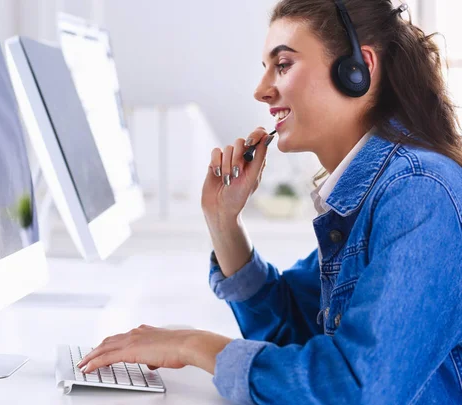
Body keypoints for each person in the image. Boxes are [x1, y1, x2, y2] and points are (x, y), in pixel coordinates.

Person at [78, 0, 462, 403]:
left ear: (358, 68)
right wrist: (224, 222)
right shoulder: (374, 193)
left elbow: (351, 389)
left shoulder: (419, 191)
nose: (261, 90)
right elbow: (293, 328)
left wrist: (191, 344)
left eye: (283, 65)